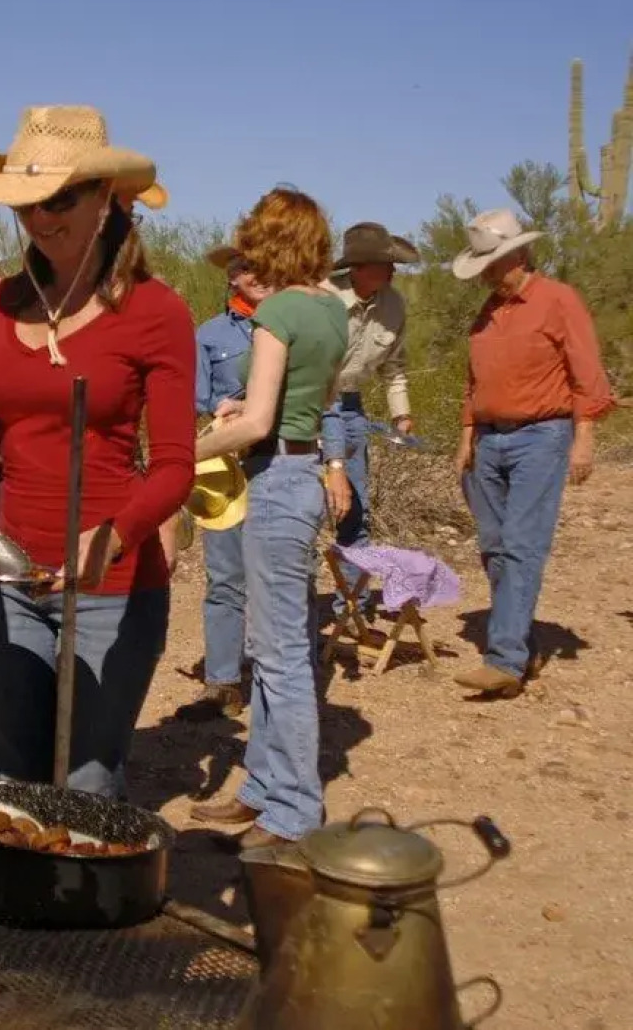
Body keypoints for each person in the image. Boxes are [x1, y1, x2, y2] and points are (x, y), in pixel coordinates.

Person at [0, 105, 196, 799]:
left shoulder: (156, 312)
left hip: (111, 588)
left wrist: (114, 536)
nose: (39, 218)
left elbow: (174, 464)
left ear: (104, 199)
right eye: (26, 203)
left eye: (58, 200)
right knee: (16, 778)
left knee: (87, 784)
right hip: (14, 579)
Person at [190, 186, 348, 849]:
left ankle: (294, 811)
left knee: (280, 658)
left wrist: (183, 456)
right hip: (300, 470)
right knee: (271, 645)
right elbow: (313, 398)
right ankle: (261, 787)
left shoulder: (278, 309)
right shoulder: (331, 308)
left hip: (276, 478)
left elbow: (256, 422)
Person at [450, 208, 614, 699]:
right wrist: (466, 436)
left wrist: (584, 437)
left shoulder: (558, 300)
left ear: (518, 256)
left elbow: (586, 373)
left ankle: (503, 660)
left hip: (541, 437)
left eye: (492, 266)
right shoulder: (488, 312)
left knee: (522, 544)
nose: (486, 276)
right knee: (494, 545)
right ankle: (523, 645)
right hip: (487, 439)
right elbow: (474, 381)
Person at [187, 244, 274, 718]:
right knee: (224, 576)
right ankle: (222, 682)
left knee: (281, 577)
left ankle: (278, 681)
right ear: (231, 277)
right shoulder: (209, 334)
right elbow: (195, 399)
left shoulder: (291, 324)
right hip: (225, 467)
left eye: (260, 264)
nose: (253, 273)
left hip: (278, 463)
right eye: (244, 267)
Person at [318, 222, 421, 609]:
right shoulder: (322, 297)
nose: (393, 271)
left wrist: (401, 414)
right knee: (303, 508)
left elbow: (394, 366)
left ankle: (353, 607)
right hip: (306, 404)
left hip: (349, 406)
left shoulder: (394, 305)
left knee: (354, 509)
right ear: (359, 267)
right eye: (385, 263)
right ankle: (296, 610)